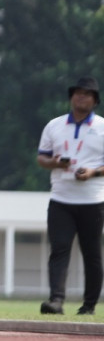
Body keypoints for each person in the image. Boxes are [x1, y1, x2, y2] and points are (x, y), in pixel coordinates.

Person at [35, 76, 104, 316]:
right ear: (71, 97)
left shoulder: (102, 127)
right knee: (59, 249)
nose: (81, 97)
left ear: (95, 100)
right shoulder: (54, 125)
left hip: (93, 200)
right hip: (61, 198)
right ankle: (56, 300)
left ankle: (89, 305)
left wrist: (94, 172)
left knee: (92, 253)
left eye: (87, 94)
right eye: (77, 93)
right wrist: (54, 163)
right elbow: (41, 157)